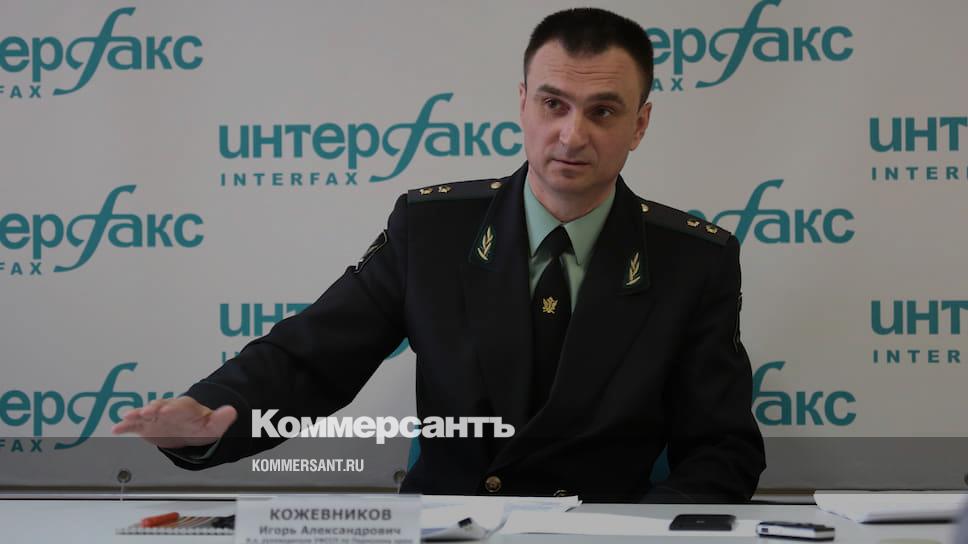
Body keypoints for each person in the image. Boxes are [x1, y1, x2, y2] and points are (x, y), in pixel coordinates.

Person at [114, 7, 766, 503]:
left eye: (602, 112)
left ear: (639, 124)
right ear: (522, 104)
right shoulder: (432, 231)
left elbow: (722, 450)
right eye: (553, 104)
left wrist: (637, 537)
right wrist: (213, 414)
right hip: (448, 528)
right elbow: (310, 357)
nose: (572, 135)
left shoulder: (693, 262)